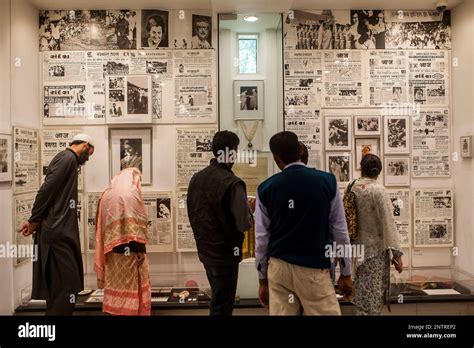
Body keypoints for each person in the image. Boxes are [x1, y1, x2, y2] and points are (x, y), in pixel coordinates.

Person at [255, 131, 353, 315]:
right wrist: (346, 273)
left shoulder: (265, 188)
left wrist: (262, 280)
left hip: (279, 268)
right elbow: (340, 231)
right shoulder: (327, 182)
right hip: (314, 269)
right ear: (301, 149)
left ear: (276, 159)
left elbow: (261, 239)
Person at [18, 134, 95, 315]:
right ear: (85, 145)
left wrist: (36, 220)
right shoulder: (68, 158)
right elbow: (47, 189)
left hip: (58, 230)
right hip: (57, 232)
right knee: (66, 283)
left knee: (61, 283)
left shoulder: (68, 160)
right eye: (90, 152)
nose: (89, 157)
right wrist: (34, 219)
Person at [187, 130, 254, 316]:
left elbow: (194, 212)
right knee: (223, 306)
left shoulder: (196, 178)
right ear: (231, 151)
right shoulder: (233, 183)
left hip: (206, 252)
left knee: (218, 300)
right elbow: (243, 224)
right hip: (225, 256)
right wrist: (250, 210)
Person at [349, 154, 403, 315]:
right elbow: (388, 222)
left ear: (361, 168)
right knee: (372, 300)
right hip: (375, 252)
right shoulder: (379, 190)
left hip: (357, 249)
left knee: (363, 297)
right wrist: (397, 254)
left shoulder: (353, 187)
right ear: (379, 170)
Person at [94, 168, 151, 316]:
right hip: (131, 252)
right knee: (131, 289)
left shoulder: (106, 194)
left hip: (111, 252)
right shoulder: (131, 194)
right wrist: (140, 251)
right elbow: (135, 229)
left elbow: (100, 225)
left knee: (116, 290)